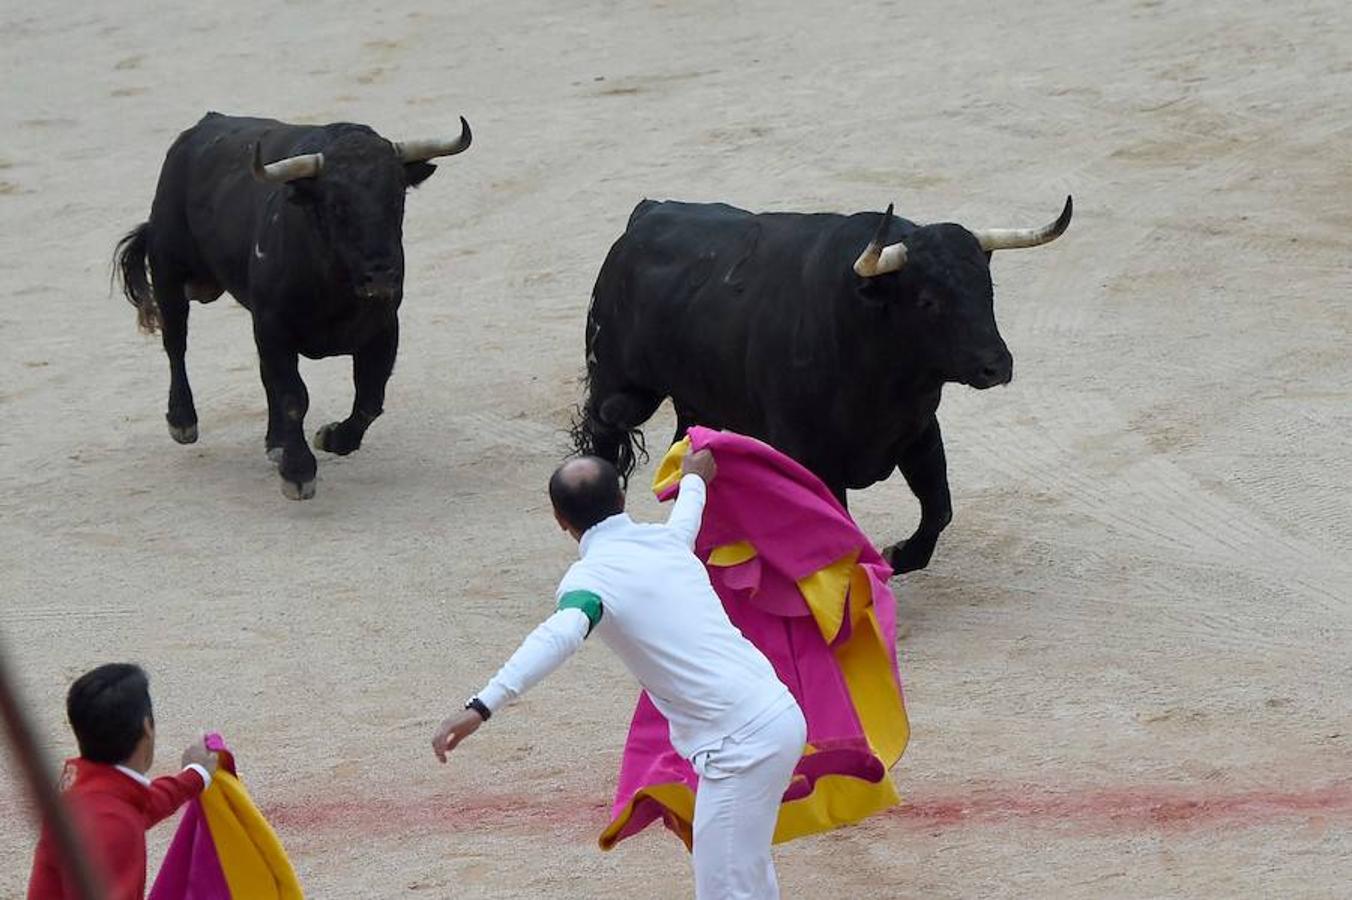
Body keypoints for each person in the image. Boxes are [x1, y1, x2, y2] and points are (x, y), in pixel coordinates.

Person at [432, 451, 808, 899]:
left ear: (558, 519)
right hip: (776, 716)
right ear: (623, 497)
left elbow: (559, 636)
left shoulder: (589, 582)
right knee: (745, 874)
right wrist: (693, 480)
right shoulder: (664, 543)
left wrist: (481, 706)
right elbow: (684, 522)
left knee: (728, 889)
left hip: (740, 746)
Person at [27, 663, 218, 900]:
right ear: (147, 727)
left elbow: (142, 804)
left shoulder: (85, 786)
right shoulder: (112, 823)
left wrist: (196, 774)